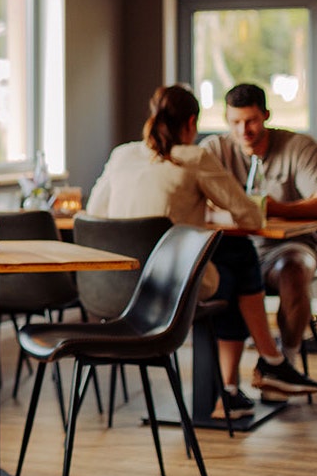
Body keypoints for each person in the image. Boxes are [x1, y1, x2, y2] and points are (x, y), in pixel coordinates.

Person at [86, 85, 317, 420]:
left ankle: (236, 388)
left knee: (232, 259)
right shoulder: (194, 157)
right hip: (171, 287)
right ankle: (261, 370)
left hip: (112, 287)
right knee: (237, 261)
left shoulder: (123, 154)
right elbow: (251, 215)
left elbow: (94, 213)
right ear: (192, 122)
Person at [202, 82, 317, 399]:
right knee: (224, 273)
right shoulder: (216, 149)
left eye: (251, 121)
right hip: (236, 249)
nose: (244, 130)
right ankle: (228, 388)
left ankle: (285, 362)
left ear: (266, 115)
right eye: (235, 122)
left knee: (295, 269)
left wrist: (267, 208)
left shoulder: (298, 147)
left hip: (287, 248)